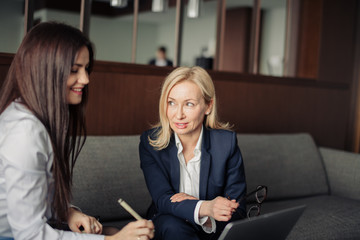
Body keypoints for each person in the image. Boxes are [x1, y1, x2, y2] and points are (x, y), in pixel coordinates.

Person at [0, 22, 154, 240]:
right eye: (74, 70)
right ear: (45, 71)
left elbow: (34, 201)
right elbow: (30, 235)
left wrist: (68, 212)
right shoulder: (24, 133)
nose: (86, 79)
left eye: (86, 68)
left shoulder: (35, 119)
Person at [139, 66, 246, 240]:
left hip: (212, 228)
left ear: (208, 106)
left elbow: (238, 209)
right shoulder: (150, 143)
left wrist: (205, 217)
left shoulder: (226, 144)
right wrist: (205, 207)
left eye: (189, 104)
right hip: (168, 225)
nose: (178, 114)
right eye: (171, 102)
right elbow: (163, 200)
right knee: (172, 224)